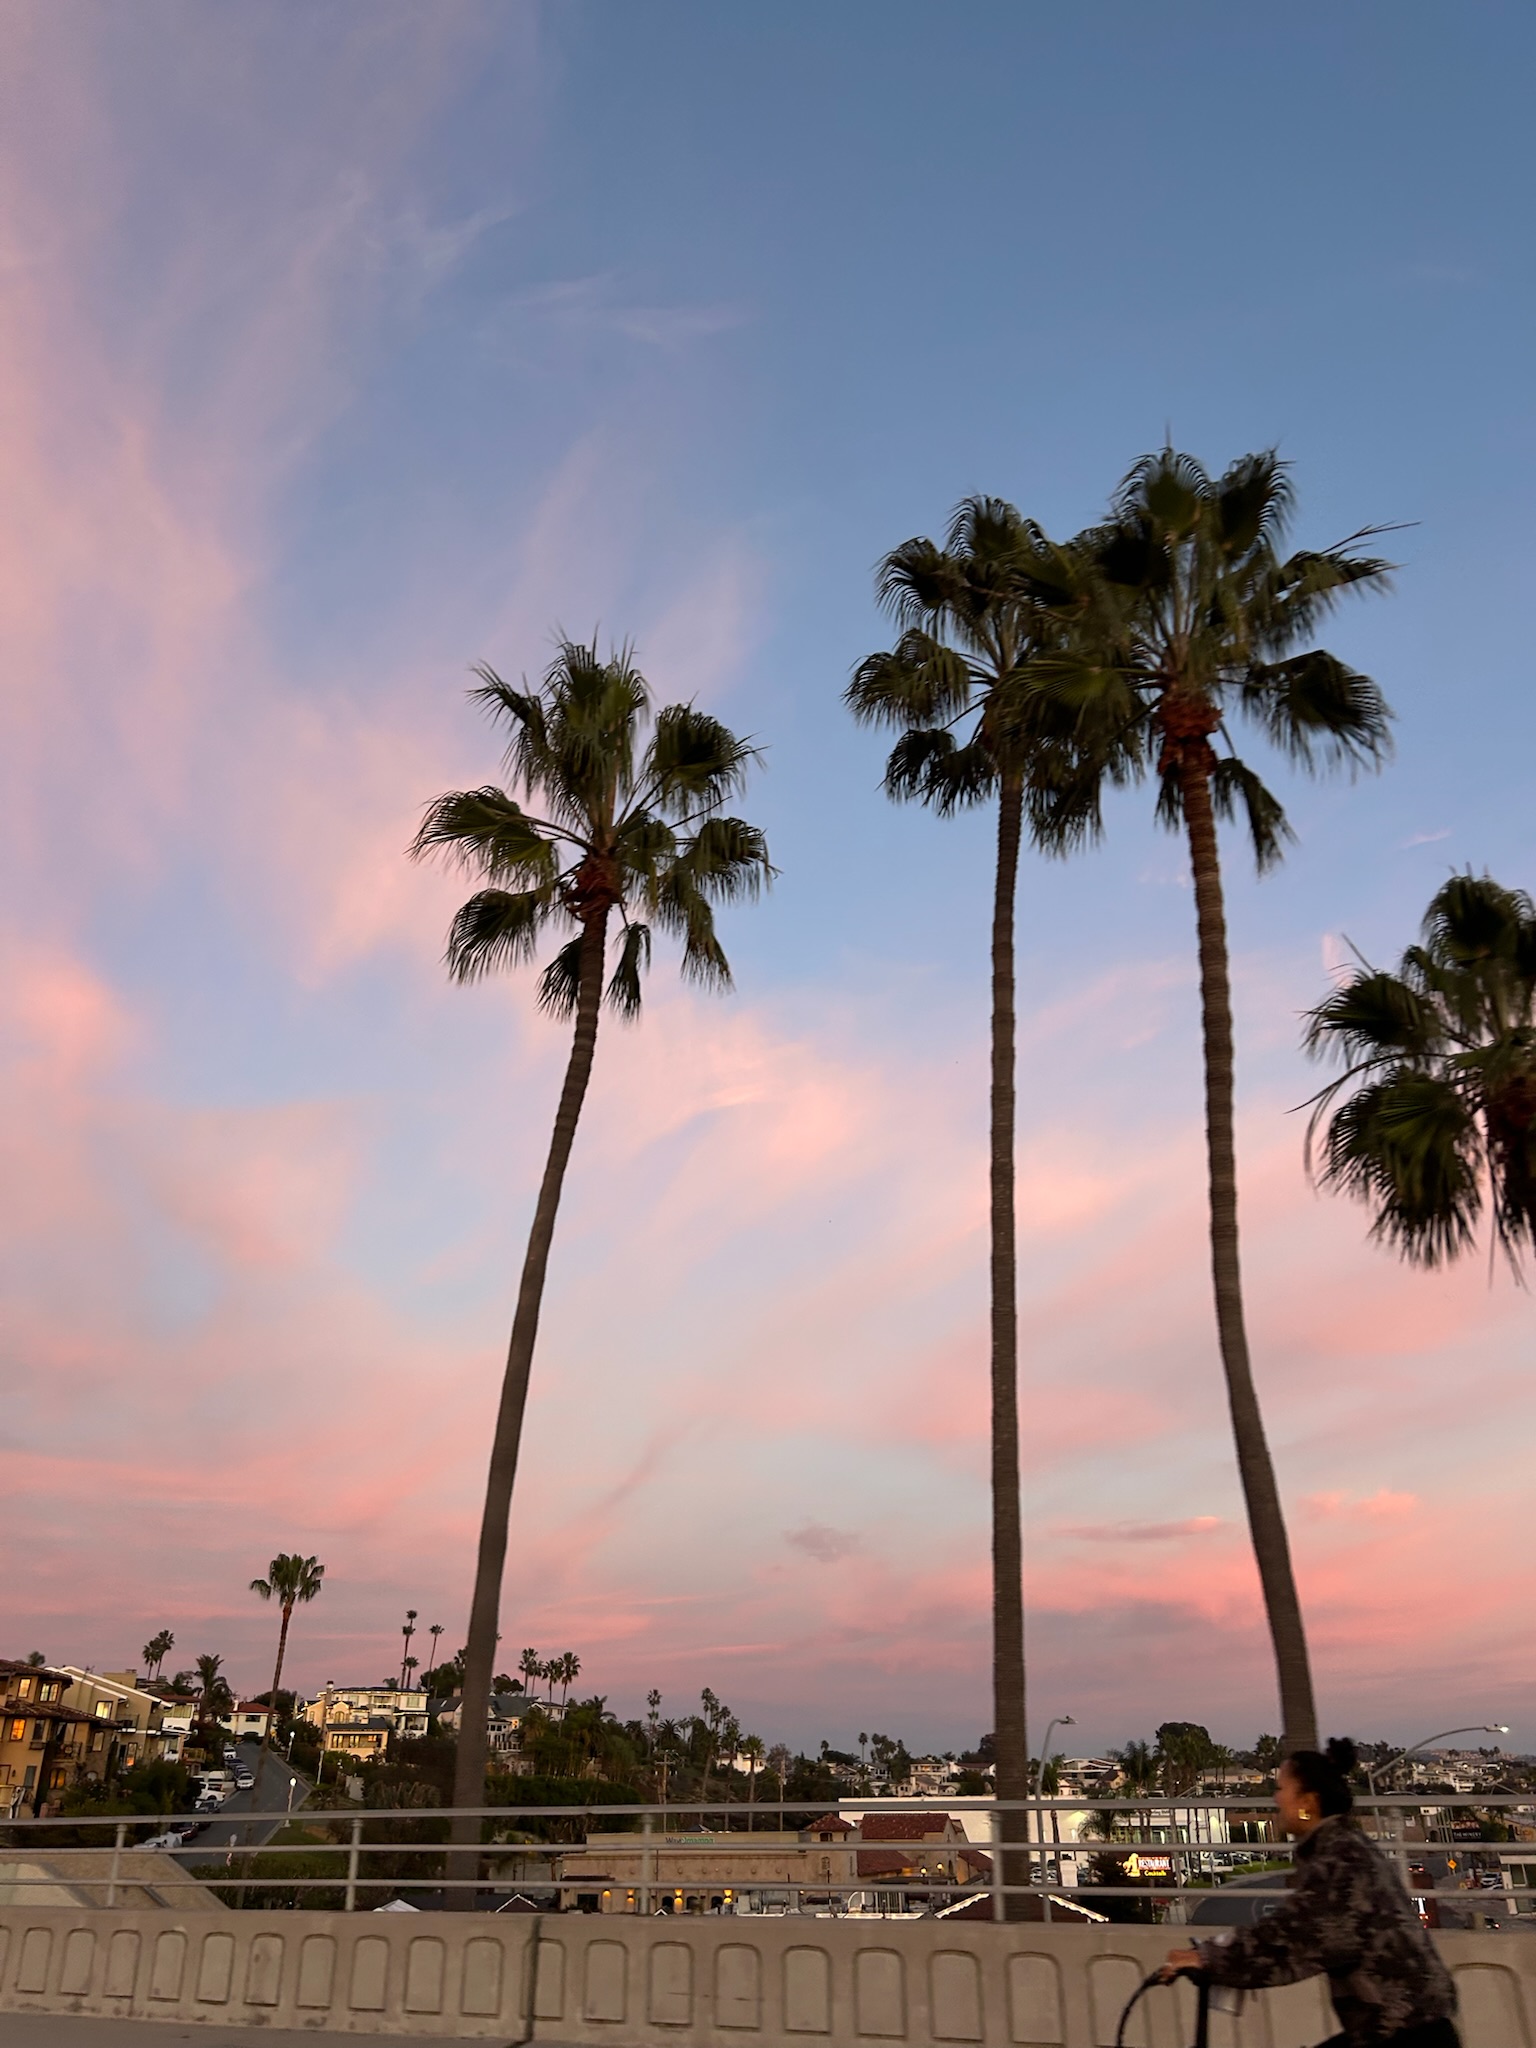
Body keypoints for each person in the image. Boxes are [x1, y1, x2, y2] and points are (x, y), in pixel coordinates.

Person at [1161, 1738, 1459, 2048]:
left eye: (1282, 1789)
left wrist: (1207, 1958)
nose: (1276, 1799)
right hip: (1395, 2025)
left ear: (1308, 1802)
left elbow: (1292, 1940)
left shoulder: (1340, 1860)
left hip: (1407, 2032)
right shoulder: (1343, 1845)